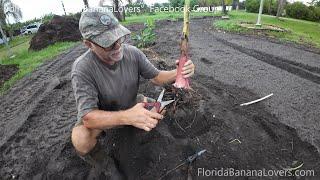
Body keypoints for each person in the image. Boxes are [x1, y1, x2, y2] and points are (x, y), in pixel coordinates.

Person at [70, 7, 195, 178]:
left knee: (161, 111)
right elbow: (89, 118)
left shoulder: (132, 53)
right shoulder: (82, 68)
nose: (117, 45)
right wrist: (128, 117)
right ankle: (104, 163)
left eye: (118, 37)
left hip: (132, 103)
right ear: (89, 44)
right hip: (104, 116)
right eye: (108, 42)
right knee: (81, 139)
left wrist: (180, 71)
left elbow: (157, 77)